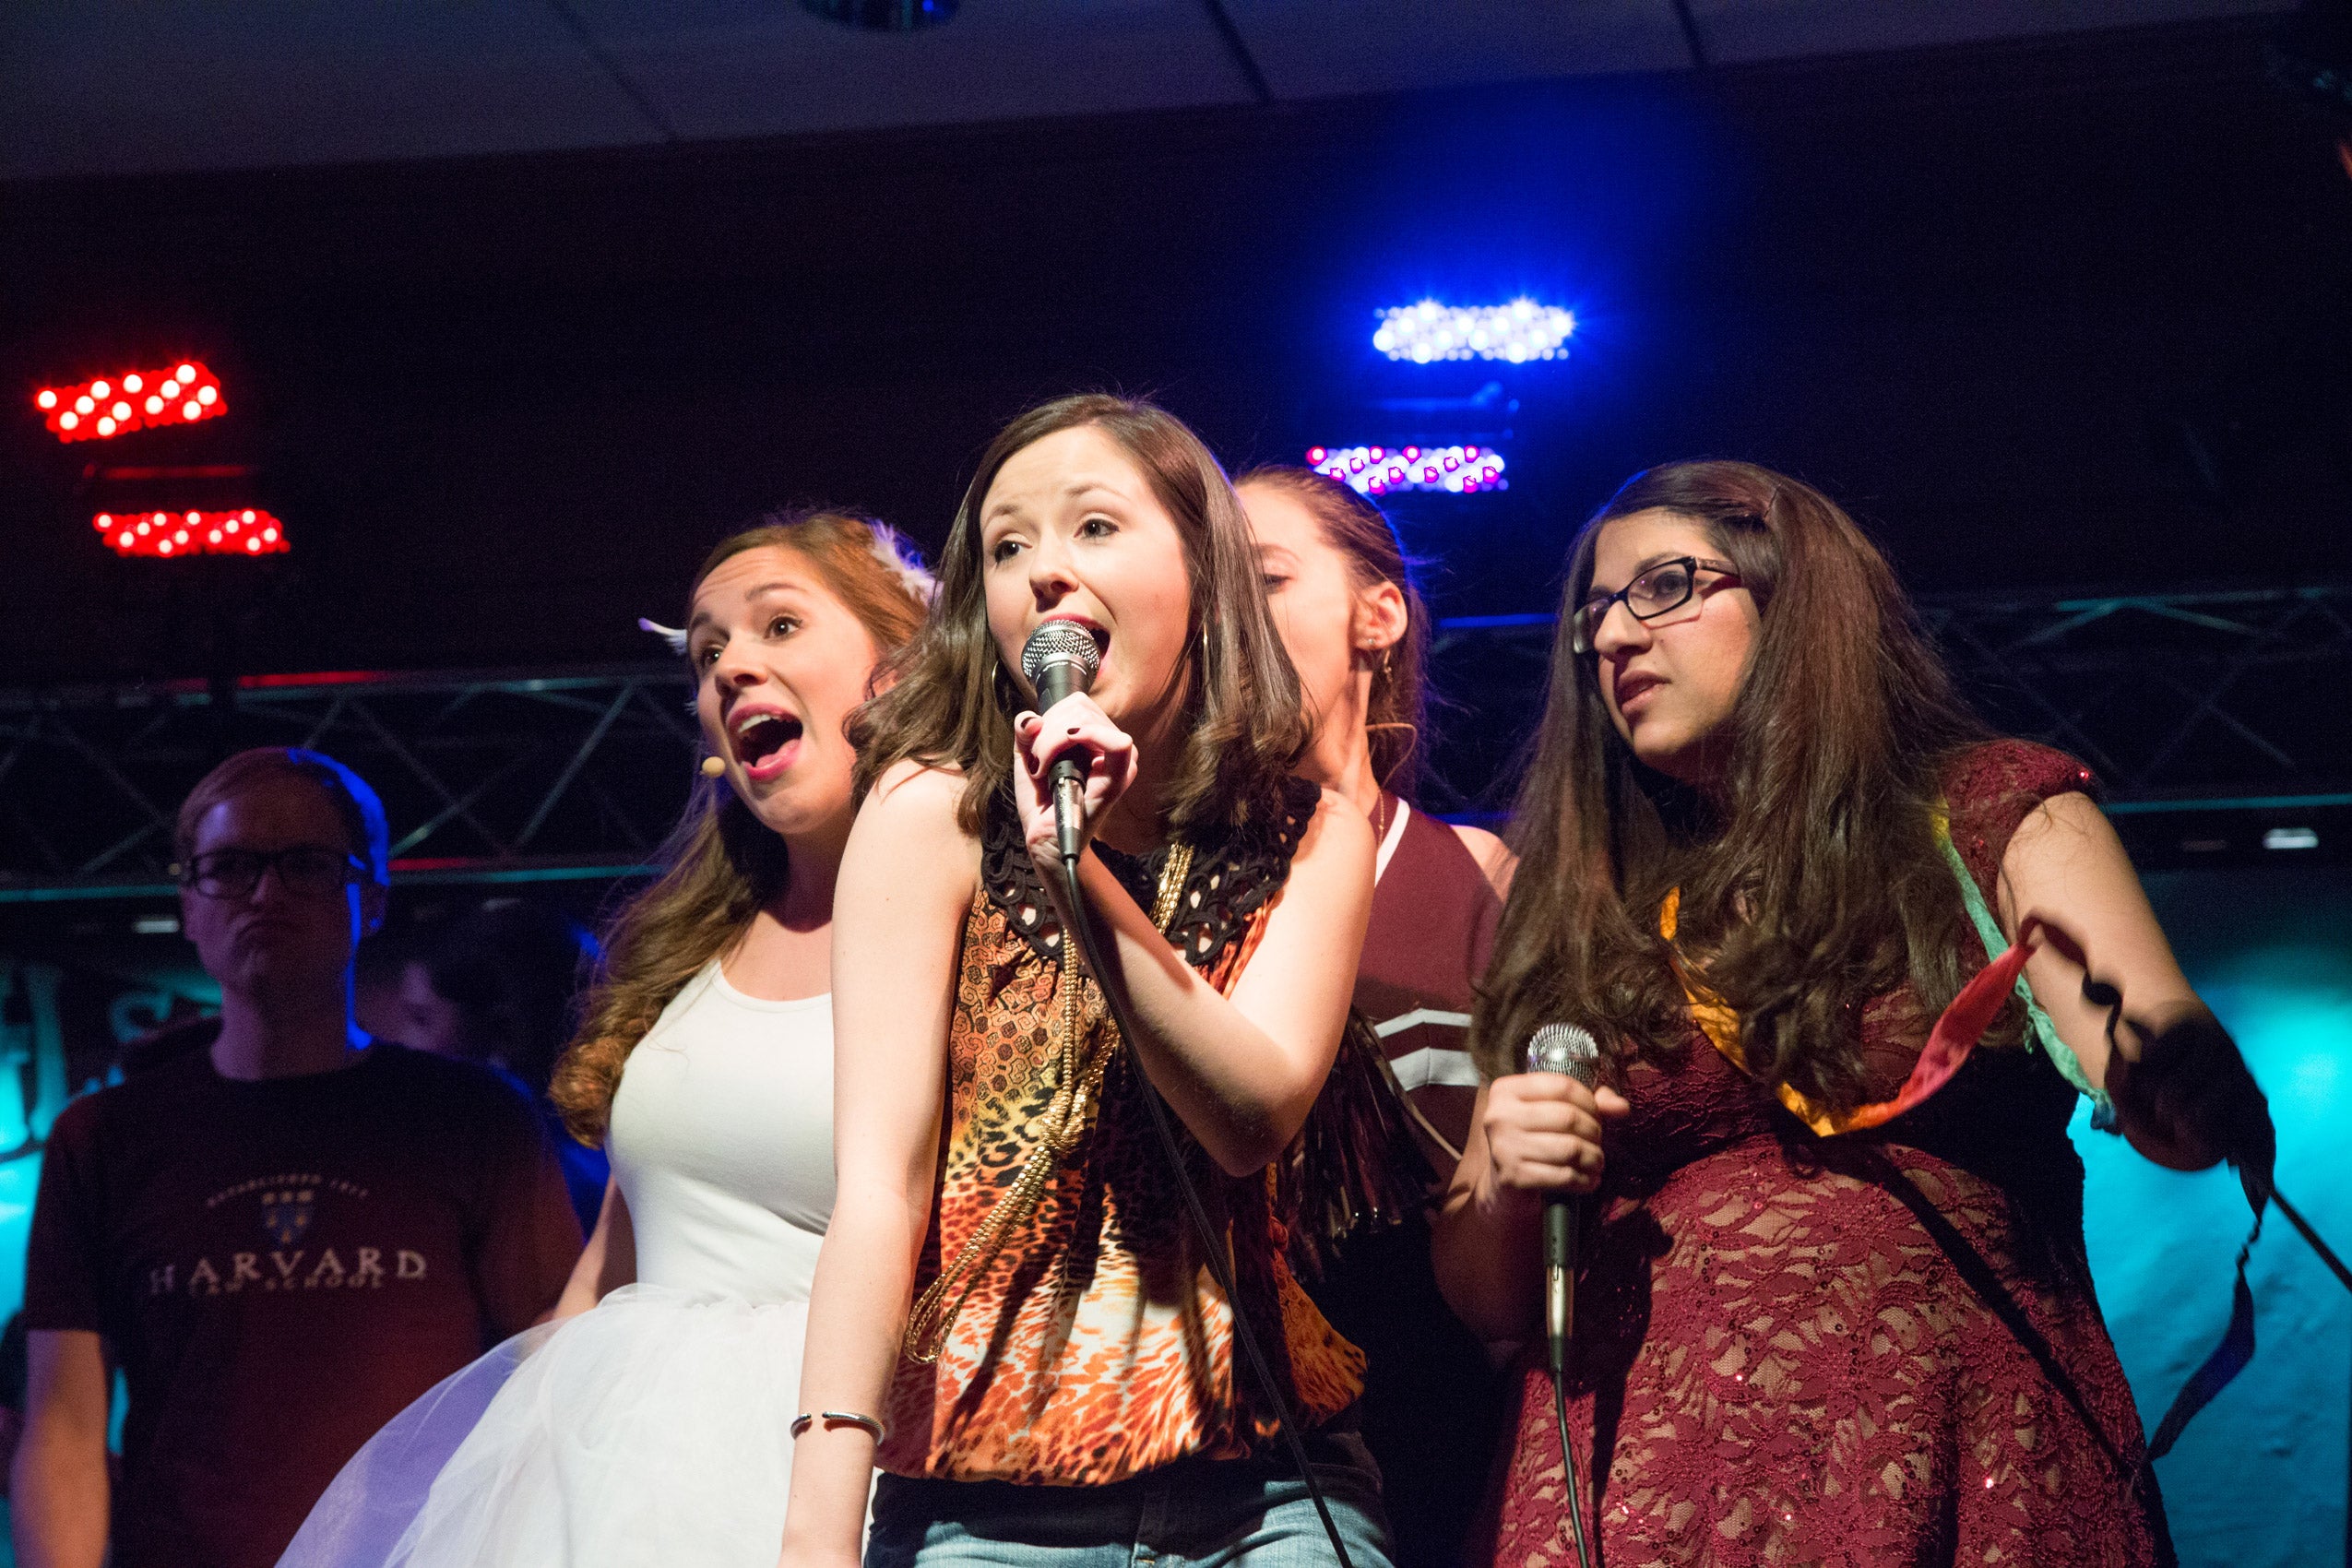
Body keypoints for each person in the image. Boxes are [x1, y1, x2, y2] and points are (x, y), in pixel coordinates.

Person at [1433, 461, 2276, 1566]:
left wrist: (2184, 1072)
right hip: (1638, 1483)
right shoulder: (1581, 903)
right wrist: (1504, 1177)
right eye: (1593, 614)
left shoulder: (1988, 809)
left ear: (1796, 598)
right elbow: (1486, 1297)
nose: (1614, 636)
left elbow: (2157, 1057)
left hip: (1953, 1444)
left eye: (1665, 586)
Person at [779, 396, 1392, 1568]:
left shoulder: (1313, 830)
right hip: (980, 1504)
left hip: (1264, 1486)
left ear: (1203, 570)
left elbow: (1250, 1116)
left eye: (1095, 526)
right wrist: (818, 1529)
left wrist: (1076, 877)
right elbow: (879, 1190)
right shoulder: (931, 811)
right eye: (1008, 546)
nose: (1047, 570)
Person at [278, 508, 932, 1568]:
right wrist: (509, 1475)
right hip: (626, 1465)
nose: (732, 667)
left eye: (778, 626)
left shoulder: (980, 932)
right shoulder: (692, 946)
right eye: (708, 651)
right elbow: (613, 1258)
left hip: (847, 1451)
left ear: (899, 666)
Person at [13, 748, 584, 1568]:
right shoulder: (101, 1139)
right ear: (188, 905)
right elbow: (64, 1426)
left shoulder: (475, 1120)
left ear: (372, 898)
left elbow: (550, 1378)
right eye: (229, 867)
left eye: (306, 865)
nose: (264, 893)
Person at [1239, 466, 1511, 1567]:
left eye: (1263, 577)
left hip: (1450, 1432)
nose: (1226, 613)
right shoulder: (1149, 885)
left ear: (1378, 612)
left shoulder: (1481, 874)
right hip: (1238, 1458)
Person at [394, 900, 610, 1231]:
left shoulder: (513, 1176)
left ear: (500, 1029)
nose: (403, 1041)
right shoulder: (603, 1156)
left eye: (421, 1019)